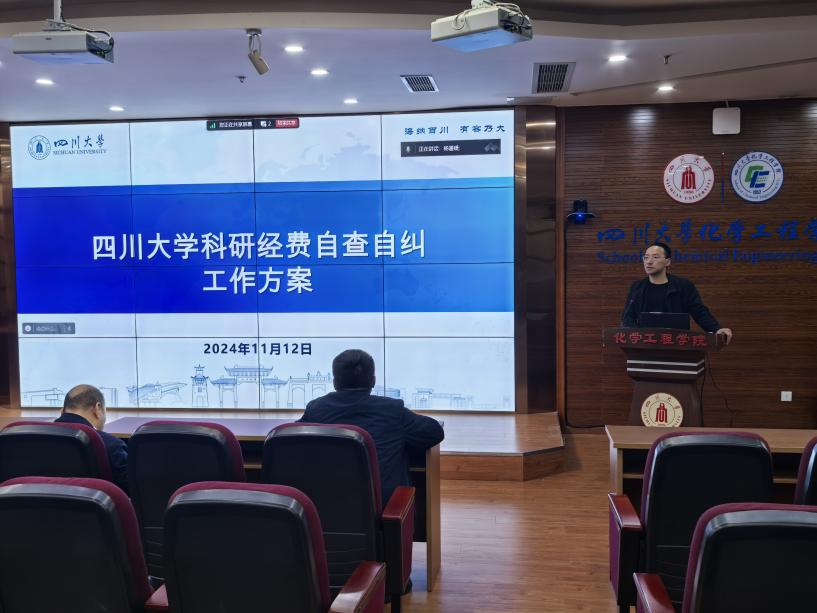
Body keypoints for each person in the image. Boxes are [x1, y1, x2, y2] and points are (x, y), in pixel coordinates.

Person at [299, 349, 445, 507]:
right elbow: (434, 432)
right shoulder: (391, 410)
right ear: (373, 381)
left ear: (335, 382)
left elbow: (289, 437)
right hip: (383, 510)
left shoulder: (316, 409)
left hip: (324, 509)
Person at [621, 242, 733, 345]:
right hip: (644, 346)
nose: (649, 261)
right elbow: (628, 317)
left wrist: (716, 329)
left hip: (676, 345)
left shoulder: (683, 286)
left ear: (668, 262)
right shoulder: (637, 287)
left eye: (655, 257)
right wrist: (637, 337)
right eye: (646, 257)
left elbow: (699, 312)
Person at [56, 384, 129, 494]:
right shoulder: (111, 446)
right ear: (98, 408)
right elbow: (129, 492)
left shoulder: (33, 439)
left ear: (62, 412)